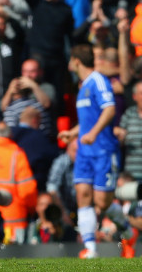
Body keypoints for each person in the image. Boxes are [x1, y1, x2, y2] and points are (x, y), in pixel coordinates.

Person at [58, 44, 136, 258]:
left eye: (70, 60)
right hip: (85, 151)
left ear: (76, 61)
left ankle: (128, 233)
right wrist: (73, 133)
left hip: (103, 149)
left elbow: (109, 109)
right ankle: (91, 249)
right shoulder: (83, 86)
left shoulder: (98, 80)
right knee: (83, 195)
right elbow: (87, 120)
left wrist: (92, 133)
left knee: (103, 202)